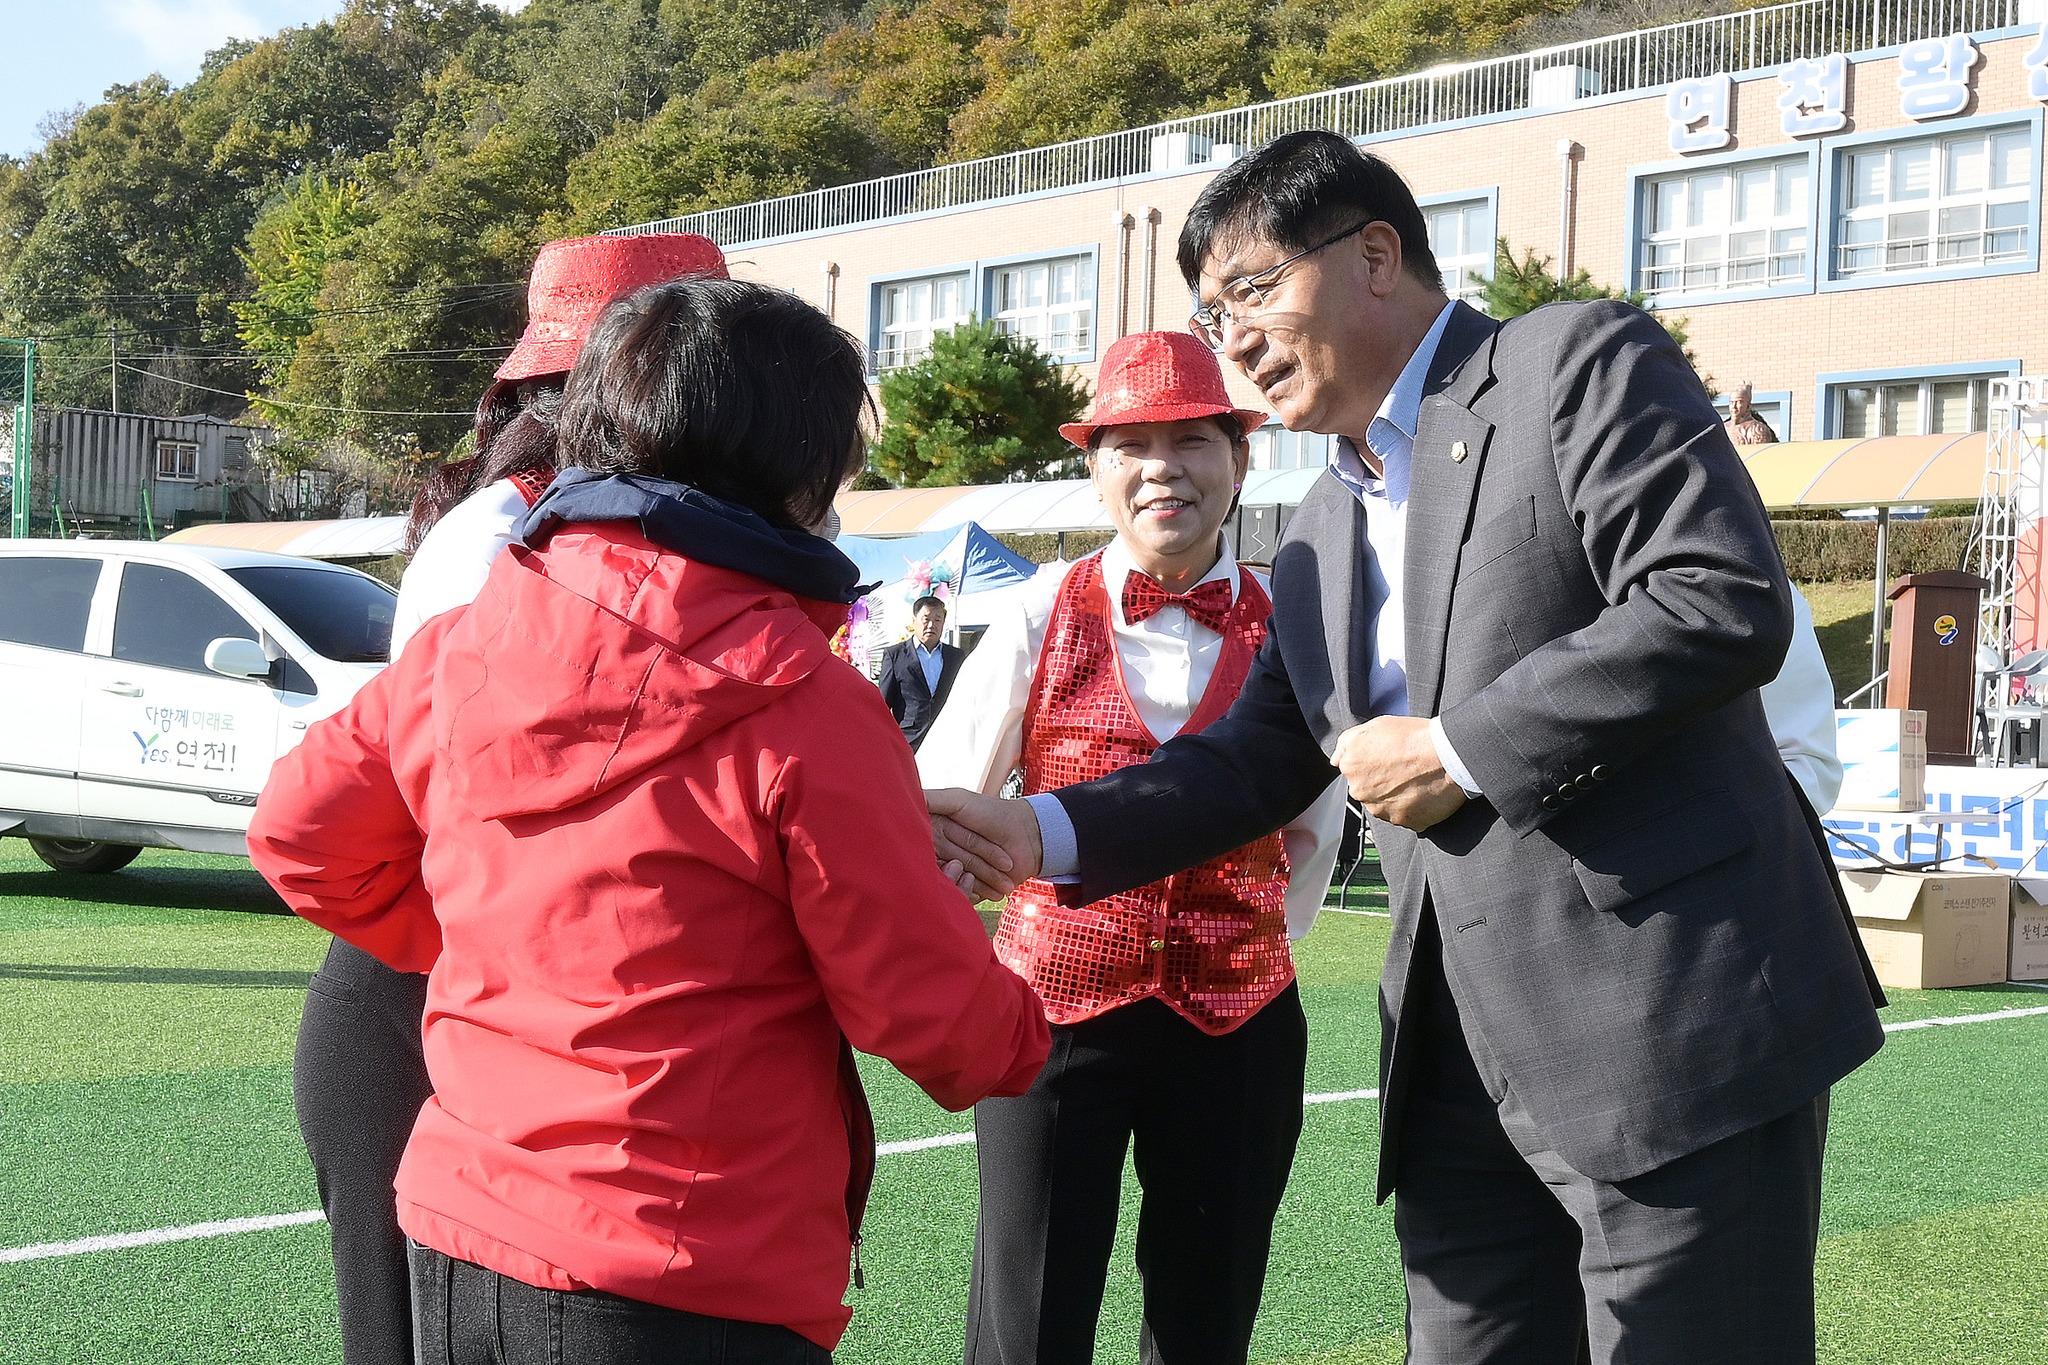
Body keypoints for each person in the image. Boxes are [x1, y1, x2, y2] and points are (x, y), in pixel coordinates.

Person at [929, 131, 1884, 1364]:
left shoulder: (1568, 362)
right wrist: (1044, 829)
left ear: (1375, 254)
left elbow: (1711, 597)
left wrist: (1464, 748)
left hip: (1663, 1026)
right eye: (1211, 313)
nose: (1235, 338)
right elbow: (1256, 759)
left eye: (1249, 291)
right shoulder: (1323, 521)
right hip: (1450, 1064)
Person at [253, 276, 1050, 1364]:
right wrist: (1028, 1022)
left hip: (463, 1229)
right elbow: (940, 1022)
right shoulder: (803, 701)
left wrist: (502, 945)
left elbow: (300, 836)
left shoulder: (471, 635)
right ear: (799, 466)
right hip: (686, 1266)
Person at [287, 231, 728, 1365]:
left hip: (514, 997)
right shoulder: (504, 538)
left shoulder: (655, 529)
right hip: (419, 1003)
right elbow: (387, 808)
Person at [917, 331, 1346, 1364]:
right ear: (1094, 468)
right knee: (1026, 1320)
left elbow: (1314, 836)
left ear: (1239, 461)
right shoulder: (1032, 613)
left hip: (1238, 1021)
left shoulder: (1297, 622)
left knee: (1206, 1318)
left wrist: (1238, 942)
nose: (1163, 468)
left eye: (1193, 441)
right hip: (1049, 1015)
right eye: (1131, 444)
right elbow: (945, 807)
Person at [879, 595, 964, 750]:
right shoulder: (894, 655)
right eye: (926, 619)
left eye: (938, 620)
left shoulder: (956, 656)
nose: (931, 625)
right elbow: (882, 705)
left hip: (947, 741)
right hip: (907, 742)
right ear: (914, 620)